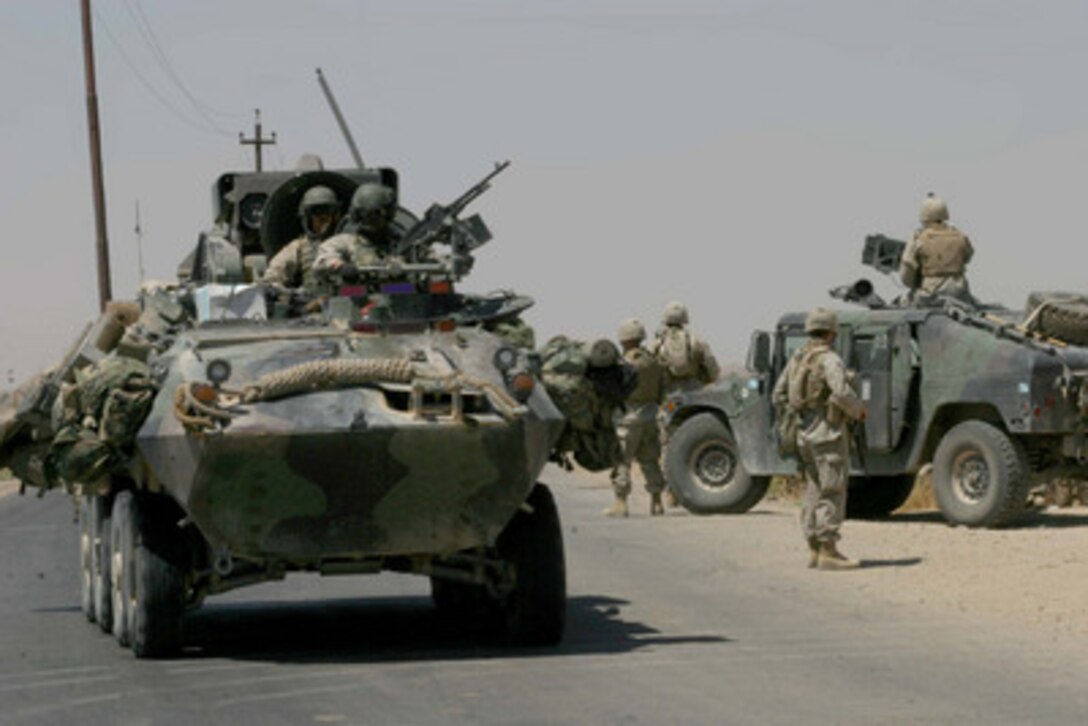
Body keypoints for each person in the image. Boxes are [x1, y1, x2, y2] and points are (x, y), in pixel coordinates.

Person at [772, 307, 867, 571]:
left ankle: (813, 548)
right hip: (829, 434)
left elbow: (778, 395)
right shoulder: (829, 360)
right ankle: (829, 550)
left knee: (814, 487)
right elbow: (840, 393)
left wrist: (801, 414)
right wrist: (858, 410)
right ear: (831, 332)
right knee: (833, 489)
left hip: (804, 436)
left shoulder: (797, 359)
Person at [649, 300, 720, 506]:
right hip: (695, 397)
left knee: (669, 444)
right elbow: (713, 372)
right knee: (693, 442)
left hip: (670, 400)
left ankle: (671, 491)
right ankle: (688, 486)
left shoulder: (656, 345)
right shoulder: (696, 341)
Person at [605, 319, 667, 518]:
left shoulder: (622, 364)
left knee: (622, 460)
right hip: (650, 416)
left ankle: (621, 503)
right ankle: (656, 503)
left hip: (627, 418)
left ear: (623, 339)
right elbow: (662, 391)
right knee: (650, 460)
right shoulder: (653, 362)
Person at [898, 192, 975, 305]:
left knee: (903, 301)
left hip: (930, 294)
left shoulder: (918, 238)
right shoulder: (960, 236)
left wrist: (916, 282)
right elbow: (968, 256)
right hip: (960, 292)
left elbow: (907, 272)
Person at [313, 182, 400, 279]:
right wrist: (341, 266)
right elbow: (324, 258)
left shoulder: (400, 243)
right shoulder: (346, 241)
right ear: (357, 214)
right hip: (354, 291)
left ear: (388, 213)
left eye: (378, 213)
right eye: (367, 214)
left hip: (396, 290)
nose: (373, 219)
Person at [262, 186, 341, 292]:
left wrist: (343, 292)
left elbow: (364, 287)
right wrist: (294, 293)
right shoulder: (299, 246)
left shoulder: (347, 243)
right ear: (307, 217)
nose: (323, 217)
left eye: (328, 210)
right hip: (309, 303)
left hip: (345, 302)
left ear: (335, 216)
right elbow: (272, 278)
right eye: (317, 211)